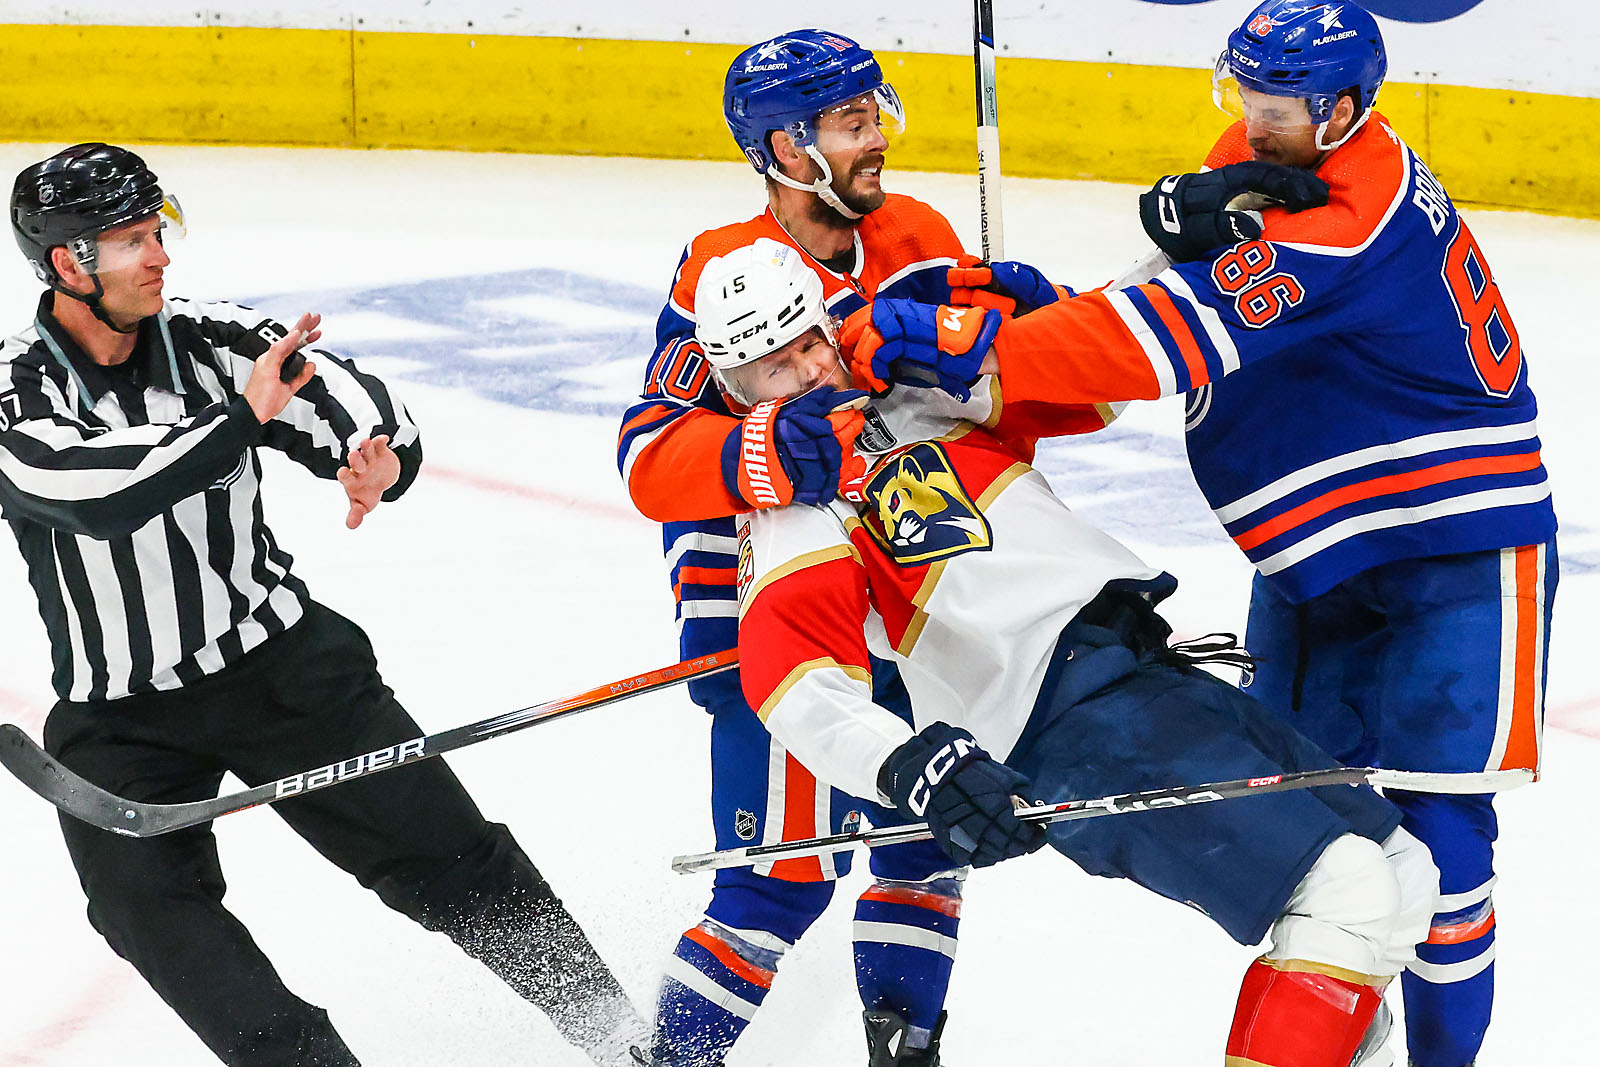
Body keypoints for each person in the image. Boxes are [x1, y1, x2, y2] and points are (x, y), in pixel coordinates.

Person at [838, 4, 1557, 1065]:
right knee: (1315, 831)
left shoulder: (1348, 222)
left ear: (1342, 109)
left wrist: (983, 342)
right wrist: (1062, 305)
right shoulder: (1273, 156)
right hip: (1309, 558)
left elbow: (1161, 340)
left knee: (1445, 842)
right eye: (1241, 97)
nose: (1247, 124)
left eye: (1272, 107)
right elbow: (1162, 297)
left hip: (1452, 548)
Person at [700, 236, 1440, 1067]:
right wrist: (910, 765)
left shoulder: (917, 396)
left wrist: (1138, 267)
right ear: (736, 390)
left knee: (1402, 869)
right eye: (772, 367)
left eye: (806, 343)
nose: (804, 373)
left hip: (1141, 672)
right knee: (1345, 887)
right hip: (1062, 723)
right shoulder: (797, 514)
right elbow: (794, 686)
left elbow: (1098, 384)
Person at [1, 143, 648, 1067]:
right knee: (145, 910)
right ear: (70, 263)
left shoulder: (210, 339)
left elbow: (337, 388)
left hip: (284, 670)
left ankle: (620, 1036)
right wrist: (239, 421)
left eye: (159, 232)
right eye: (136, 240)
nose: (161, 256)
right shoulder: (17, 384)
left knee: (452, 860)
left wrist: (373, 452)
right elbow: (86, 489)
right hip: (120, 718)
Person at [614, 29, 1107, 1067]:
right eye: (850, 123)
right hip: (783, 609)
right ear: (786, 150)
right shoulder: (726, 268)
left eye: (874, 115)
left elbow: (1062, 404)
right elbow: (650, 455)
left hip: (922, 594)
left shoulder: (920, 233)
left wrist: (1038, 328)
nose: (875, 137)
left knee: (928, 843)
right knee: (774, 883)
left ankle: (905, 1049)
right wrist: (768, 446)